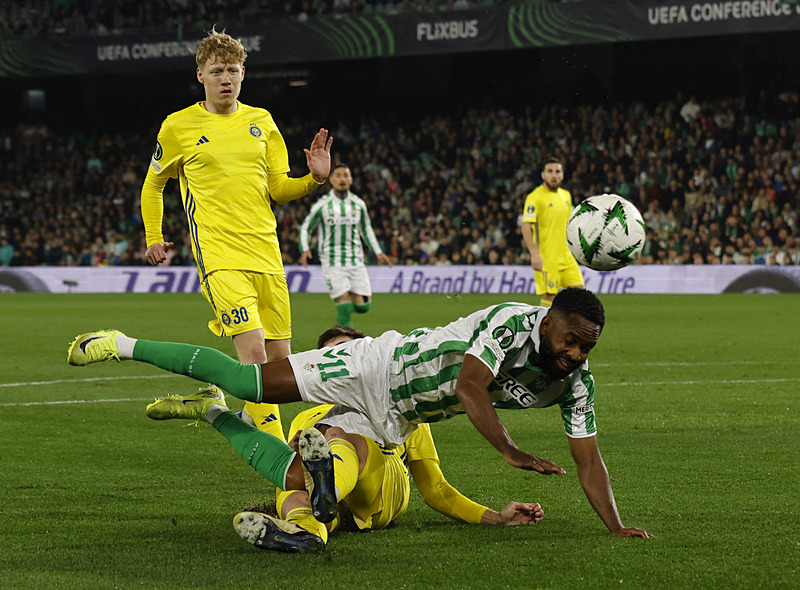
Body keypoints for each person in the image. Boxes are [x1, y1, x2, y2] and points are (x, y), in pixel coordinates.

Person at [68, 288, 651, 539]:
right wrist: (510, 451)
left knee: (312, 471)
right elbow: (471, 385)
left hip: (395, 417)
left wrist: (616, 524)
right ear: (548, 322)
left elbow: (590, 460)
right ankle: (123, 342)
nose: (575, 354)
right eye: (571, 340)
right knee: (256, 383)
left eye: (586, 348)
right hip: (377, 365)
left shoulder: (576, 384)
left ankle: (300, 509)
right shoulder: (511, 322)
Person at [139, 326, 545, 553]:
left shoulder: (404, 408)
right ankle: (307, 533)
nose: (337, 361)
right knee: (293, 487)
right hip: (336, 508)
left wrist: (494, 516)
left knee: (341, 439)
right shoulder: (309, 412)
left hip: (380, 496)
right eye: (328, 356)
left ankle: (326, 480)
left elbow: (435, 489)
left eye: (345, 351)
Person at [139, 27, 333, 440]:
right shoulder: (178, 126)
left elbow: (279, 189)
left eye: (232, 70)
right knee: (255, 354)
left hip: (266, 254)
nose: (225, 78)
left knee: (282, 365)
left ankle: (223, 412)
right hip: (219, 256)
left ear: (243, 73)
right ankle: (283, 469)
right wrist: (152, 236)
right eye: (216, 71)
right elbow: (154, 184)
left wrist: (314, 179)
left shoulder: (261, 121)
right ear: (201, 77)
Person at [298, 164, 391, 327]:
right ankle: (345, 347)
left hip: (356, 260)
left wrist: (378, 252)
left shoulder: (359, 204)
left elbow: (366, 229)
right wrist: (305, 249)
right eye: (338, 175)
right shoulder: (322, 205)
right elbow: (306, 227)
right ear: (331, 180)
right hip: (332, 261)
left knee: (364, 307)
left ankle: (346, 327)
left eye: (346, 175)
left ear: (351, 180)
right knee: (344, 305)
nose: (342, 179)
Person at [520, 158, 585, 307]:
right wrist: (534, 254)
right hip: (546, 258)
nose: (554, 175)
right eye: (550, 171)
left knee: (581, 294)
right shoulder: (535, 197)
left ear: (562, 175)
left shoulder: (566, 196)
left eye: (557, 171)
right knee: (550, 296)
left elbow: (570, 225)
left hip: (567, 257)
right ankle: (542, 329)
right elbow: (526, 225)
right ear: (543, 175)